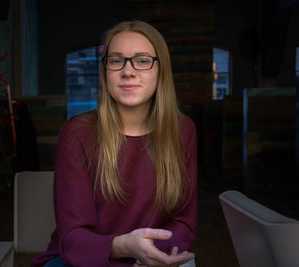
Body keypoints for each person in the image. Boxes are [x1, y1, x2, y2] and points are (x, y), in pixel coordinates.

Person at [31, 20, 197, 267]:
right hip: (78, 262)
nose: (128, 71)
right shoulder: (77, 133)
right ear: (104, 70)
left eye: (142, 60)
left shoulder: (183, 130)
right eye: (116, 60)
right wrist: (125, 247)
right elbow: (73, 240)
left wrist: (151, 253)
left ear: (161, 70)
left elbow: (183, 222)